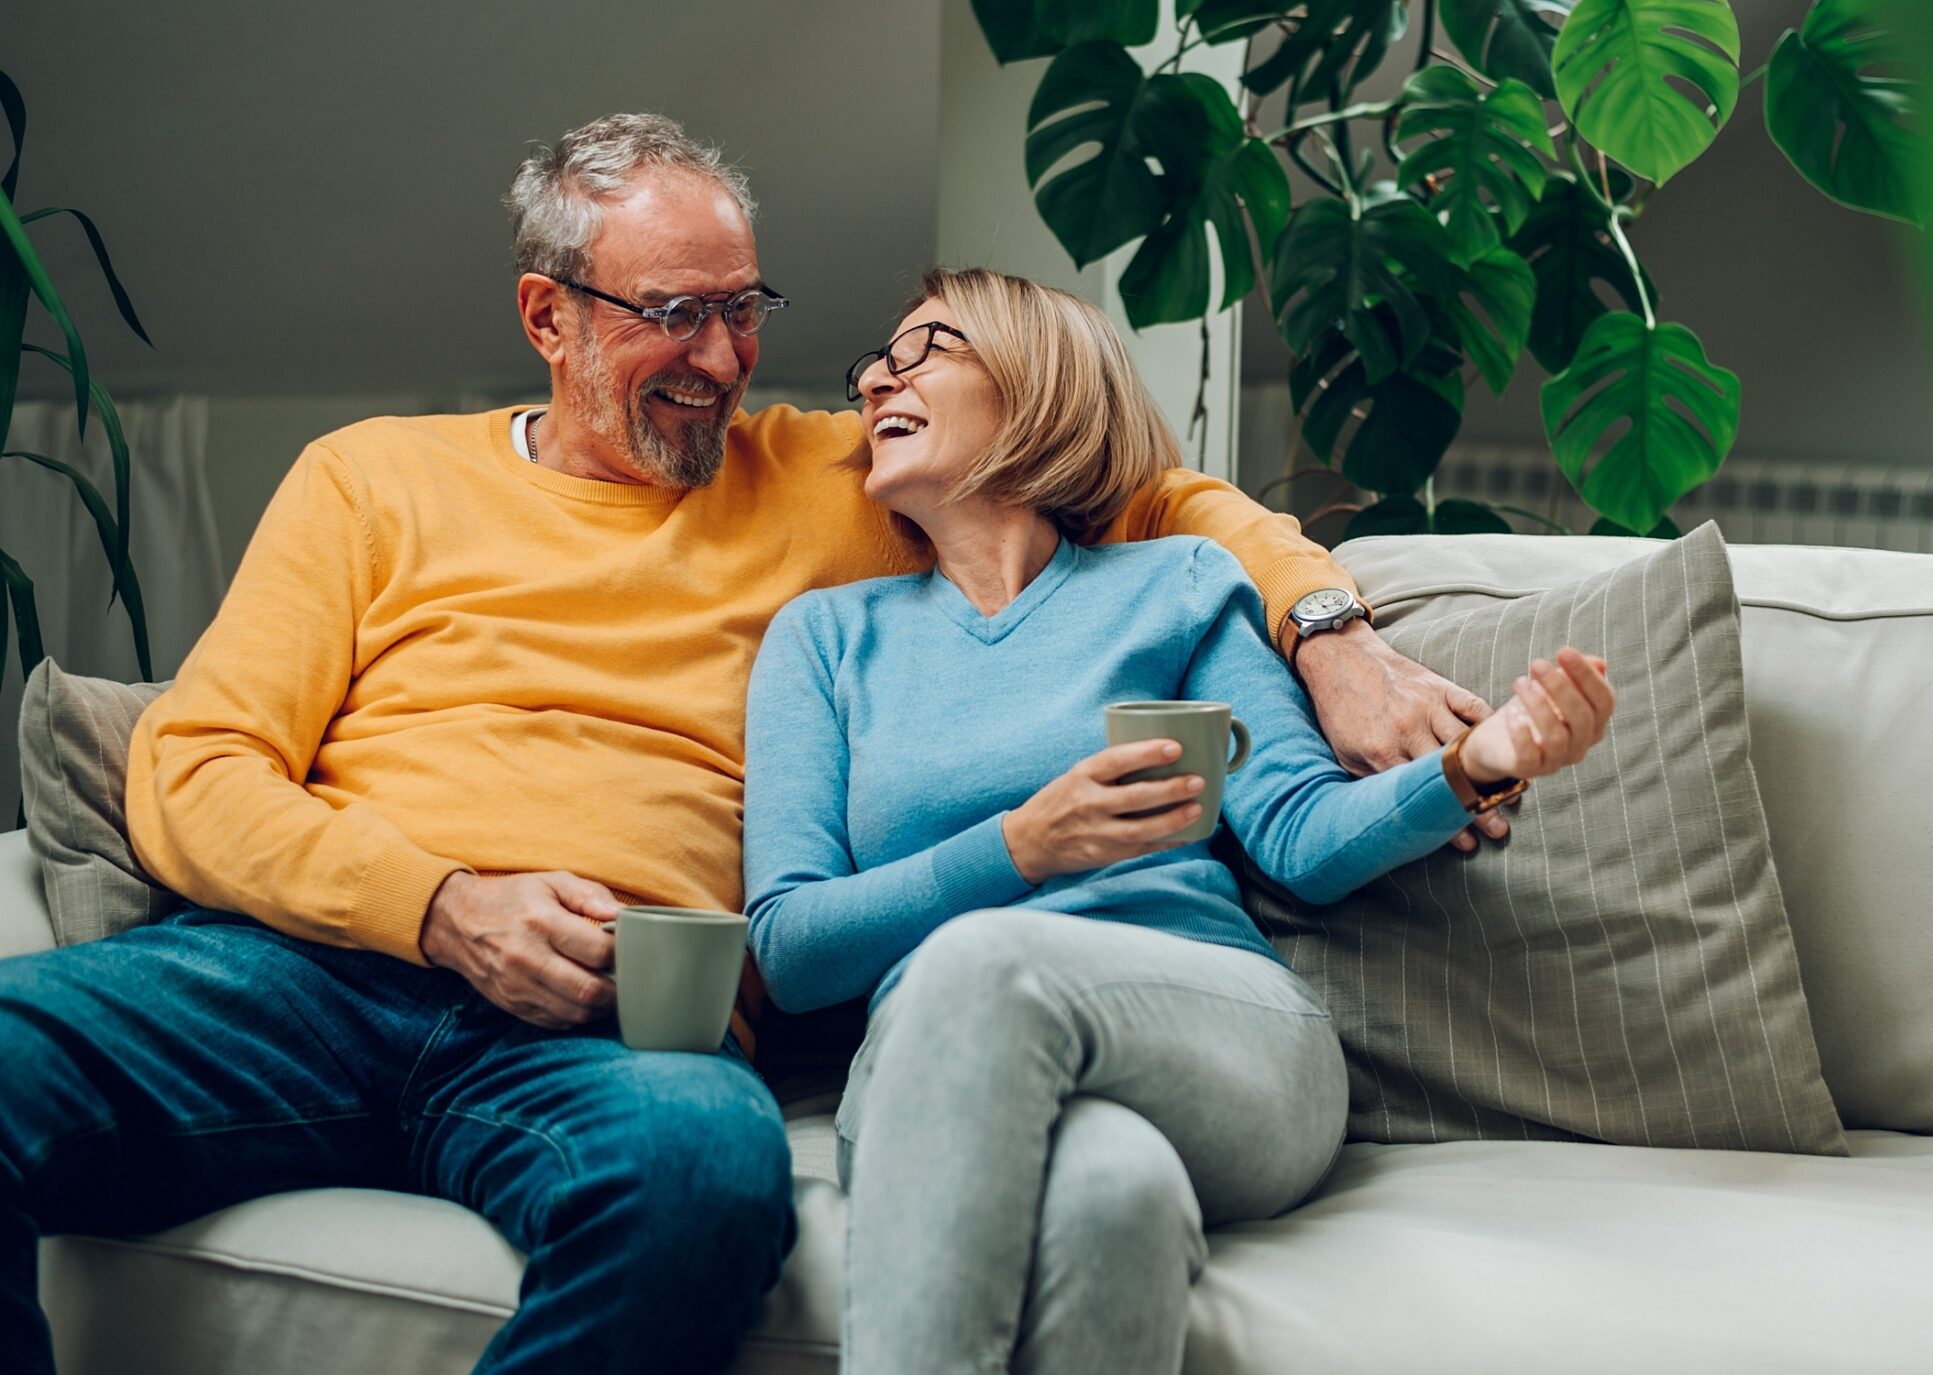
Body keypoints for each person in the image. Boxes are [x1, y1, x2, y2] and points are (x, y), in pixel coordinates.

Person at [0, 113, 1520, 1373]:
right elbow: (188, 771)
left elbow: (1151, 498)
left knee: (706, 1185)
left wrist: (1331, 634)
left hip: (617, 1011)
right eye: (671, 314)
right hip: (315, 973)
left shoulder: (837, 475)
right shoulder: (369, 480)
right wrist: (441, 904)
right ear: (549, 315)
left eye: (742, 309)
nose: (721, 362)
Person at [742, 268, 1618, 1375]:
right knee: (1114, 1191)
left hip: (1215, 1031)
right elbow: (789, 945)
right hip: (931, 1065)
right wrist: (1022, 845)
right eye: (878, 360)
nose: (876, 378)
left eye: (926, 350)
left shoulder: (1177, 585)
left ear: (1033, 385)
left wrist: (1478, 760)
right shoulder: (824, 640)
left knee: (984, 961)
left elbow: (1301, 833)